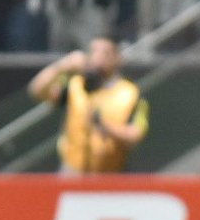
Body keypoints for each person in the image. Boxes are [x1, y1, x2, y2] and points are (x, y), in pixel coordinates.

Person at [27, 36, 149, 174]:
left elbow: (136, 134)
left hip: (110, 173)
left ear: (117, 58)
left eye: (105, 53)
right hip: (72, 170)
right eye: (94, 52)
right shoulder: (76, 84)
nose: (98, 58)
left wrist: (104, 125)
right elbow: (36, 90)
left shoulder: (130, 93)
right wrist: (62, 66)